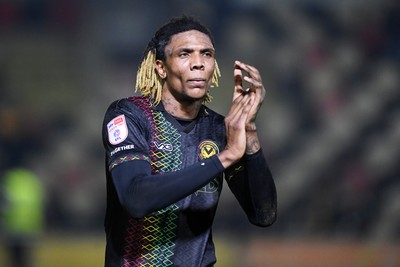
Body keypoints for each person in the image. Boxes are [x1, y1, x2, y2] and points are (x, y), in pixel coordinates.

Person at [102, 15, 277, 267]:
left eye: (206, 54)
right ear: (161, 67)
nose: (198, 64)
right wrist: (224, 157)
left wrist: (248, 130)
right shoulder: (130, 115)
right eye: (185, 54)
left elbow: (264, 214)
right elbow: (135, 198)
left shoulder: (219, 129)